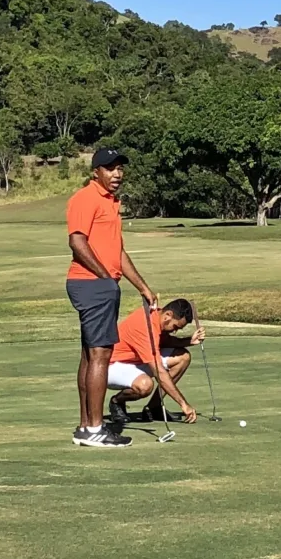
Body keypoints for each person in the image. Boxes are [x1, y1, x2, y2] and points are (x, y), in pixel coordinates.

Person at [65, 148, 161, 447]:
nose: (117, 174)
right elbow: (76, 241)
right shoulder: (86, 198)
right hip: (92, 284)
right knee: (100, 355)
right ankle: (95, 429)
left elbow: (117, 251)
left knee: (90, 355)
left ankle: (85, 426)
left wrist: (142, 287)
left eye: (120, 168)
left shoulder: (111, 202)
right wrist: (105, 277)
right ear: (96, 171)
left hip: (99, 285)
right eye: (110, 168)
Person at [106, 298, 204, 427]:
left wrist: (189, 341)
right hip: (113, 366)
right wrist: (183, 404)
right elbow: (160, 373)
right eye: (175, 327)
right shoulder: (145, 327)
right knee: (145, 385)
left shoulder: (157, 316)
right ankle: (116, 401)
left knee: (183, 357)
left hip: (136, 361)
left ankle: (154, 407)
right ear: (168, 315)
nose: (175, 331)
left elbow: (163, 341)